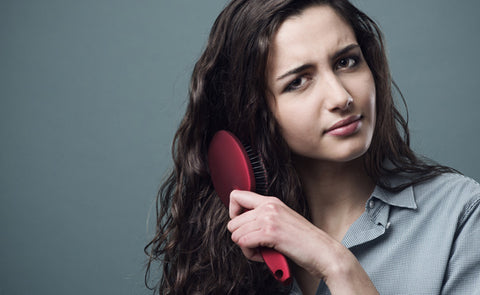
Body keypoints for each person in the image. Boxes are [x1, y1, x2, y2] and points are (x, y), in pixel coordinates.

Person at [144, 0, 480, 294]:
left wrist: (336, 264)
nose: (341, 97)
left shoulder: (460, 215)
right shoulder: (226, 253)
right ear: (256, 110)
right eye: (298, 81)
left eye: (346, 62)